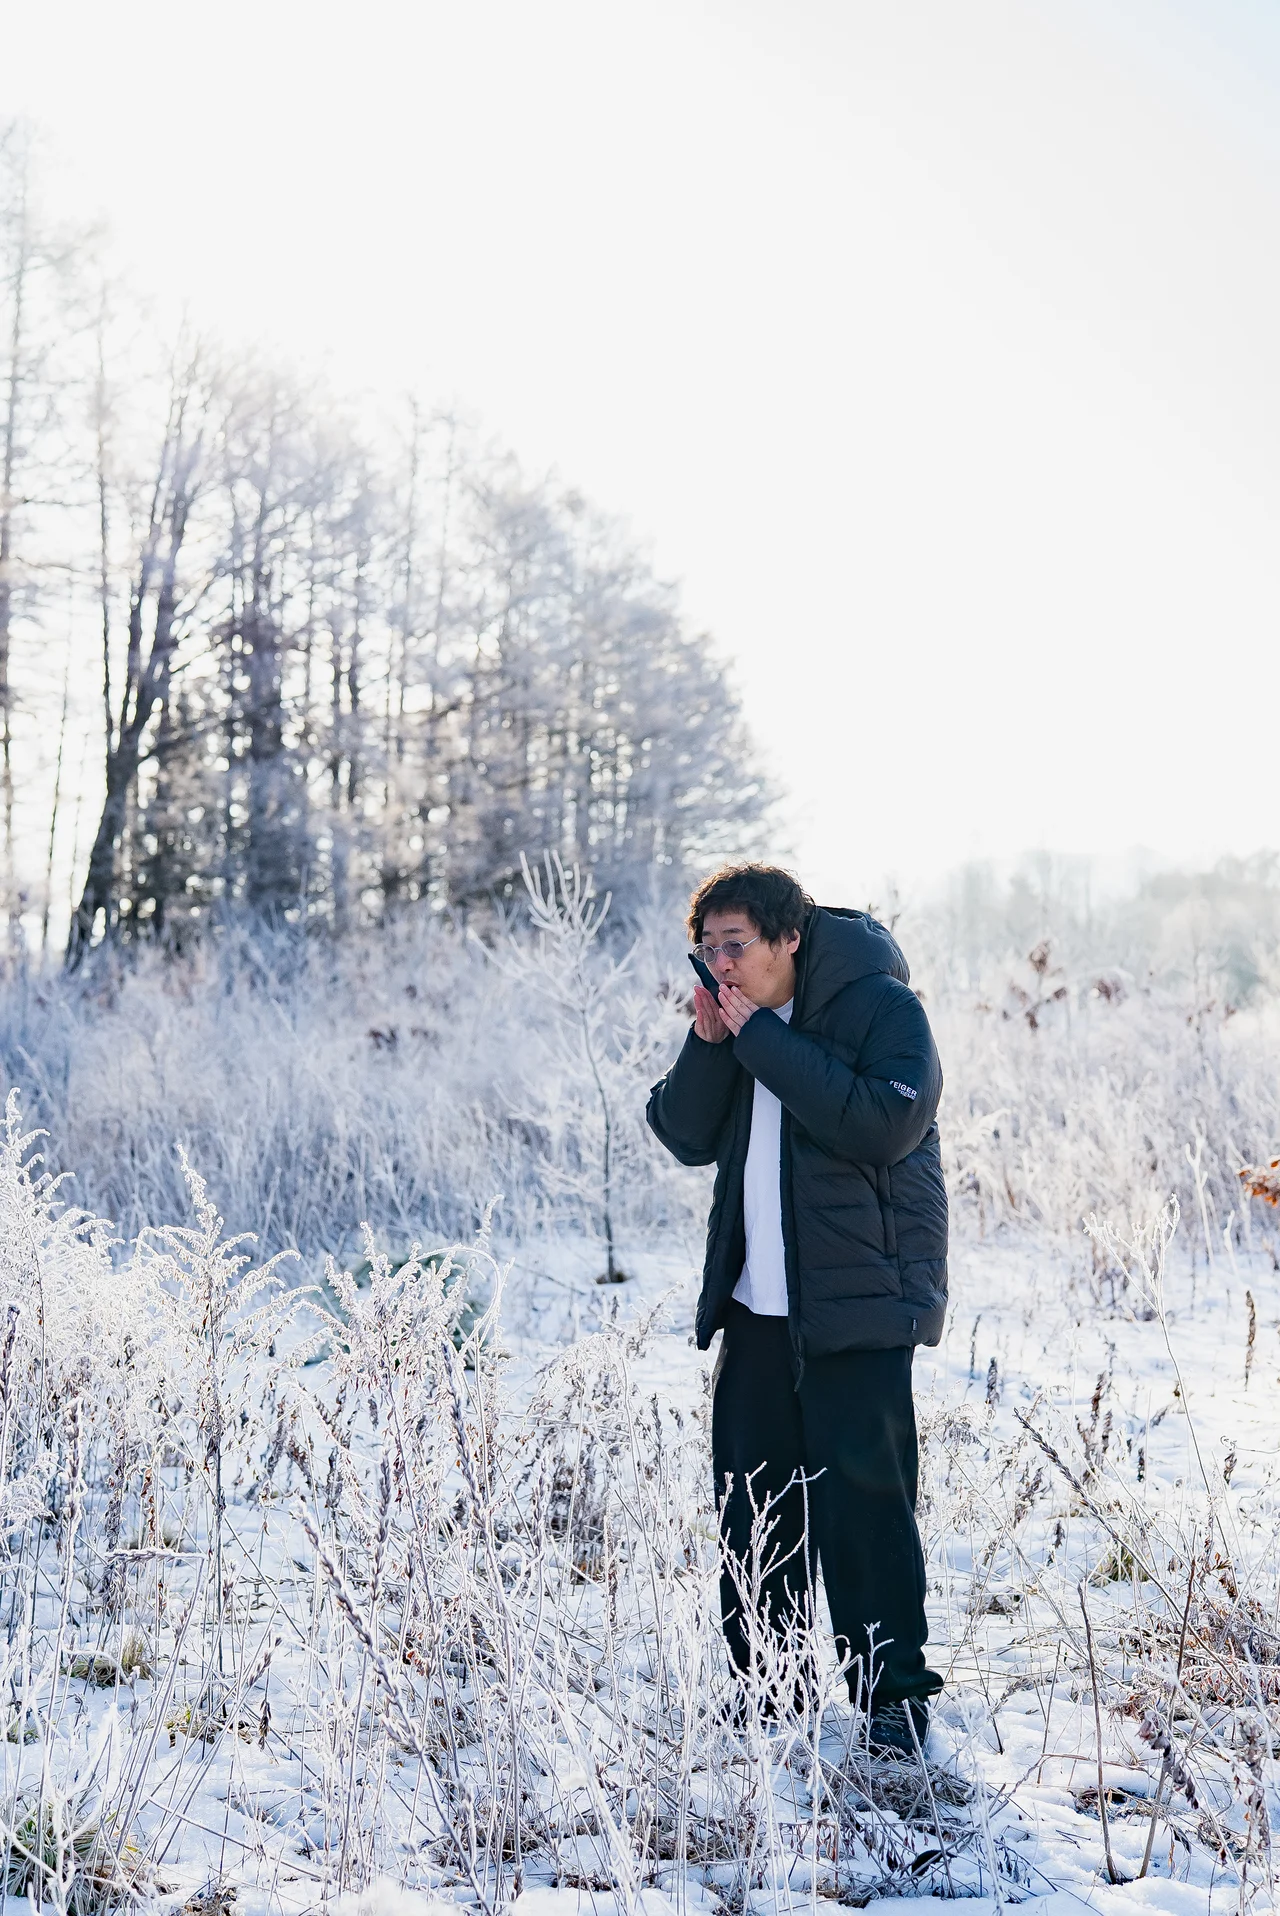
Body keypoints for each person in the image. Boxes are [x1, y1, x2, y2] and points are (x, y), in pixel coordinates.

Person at [646, 864, 948, 1755]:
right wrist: (710, 1044)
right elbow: (685, 1137)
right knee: (755, 1511)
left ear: (791, 938)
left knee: (866, 1514)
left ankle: (893, 1705)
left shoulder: (883, 1008)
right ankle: (766, 1691)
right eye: (707, 950)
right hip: (756, 1314)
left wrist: (760, 1043)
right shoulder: (736, 1018)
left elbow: (881, 1126)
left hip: (858, 1310)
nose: (720, 965)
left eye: (735, 947)